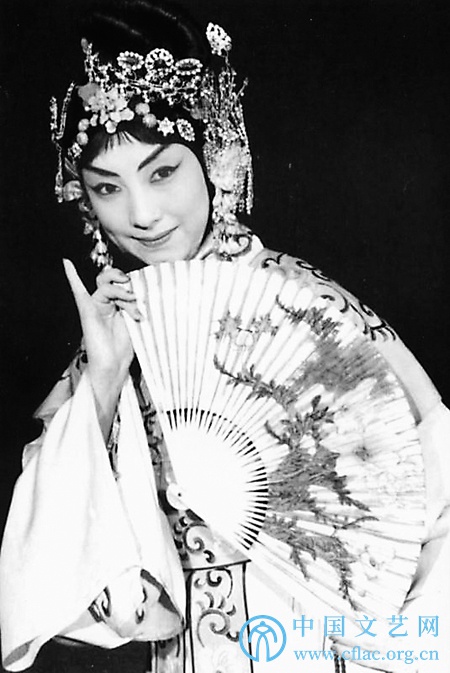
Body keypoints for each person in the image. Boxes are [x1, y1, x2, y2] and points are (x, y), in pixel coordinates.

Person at [0, 1, 449, 672]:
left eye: (162, 173)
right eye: (107, 188)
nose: (143, 214)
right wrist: (102, 383)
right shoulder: (118, 335)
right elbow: (65, 589)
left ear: (213, 156)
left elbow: (434, 484)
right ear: (83, 200)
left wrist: (394, 644)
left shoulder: (305, 305)